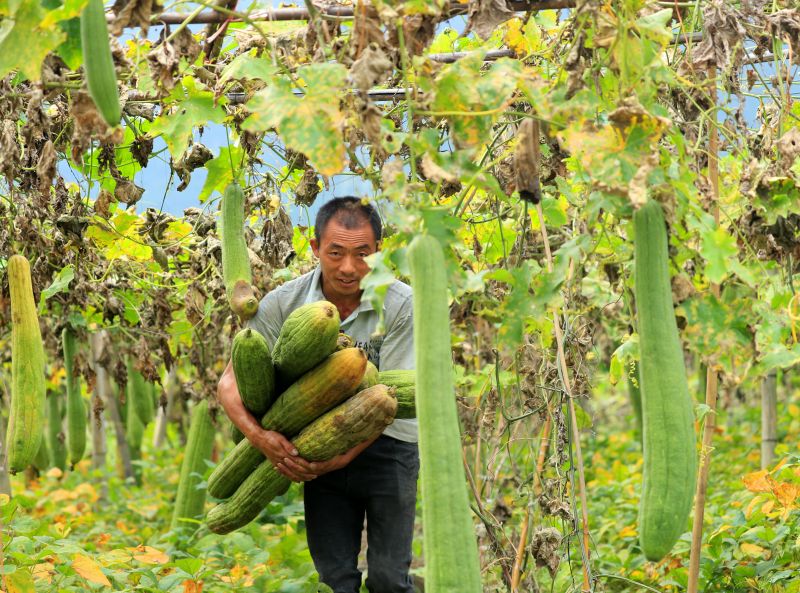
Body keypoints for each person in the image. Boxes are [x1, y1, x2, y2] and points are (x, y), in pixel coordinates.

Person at [217, 196, 418, 593]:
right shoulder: (285, 302)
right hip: (313, 444)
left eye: (362, 254)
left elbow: (387, 400)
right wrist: (264, 440)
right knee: (333, 580)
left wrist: (339, 454)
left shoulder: (401, 304)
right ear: (314, 248)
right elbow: (229, 384)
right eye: (336, 252)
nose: (348, 267)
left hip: (389, 444)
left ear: (379, 252)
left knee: (389, 579)